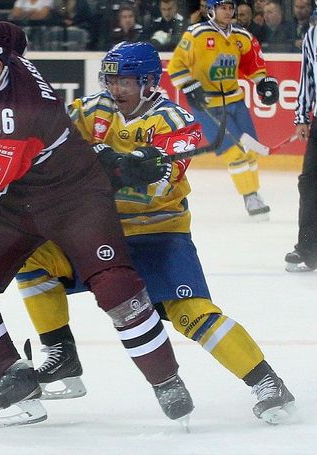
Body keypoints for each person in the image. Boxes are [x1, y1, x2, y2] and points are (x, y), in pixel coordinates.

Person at [0, 20, 194, 429]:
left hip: (75, 197)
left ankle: (166, 380)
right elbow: (14, 32)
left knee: (114, 286)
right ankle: (13, 379)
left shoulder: (10, 118)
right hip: (19, 198)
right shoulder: (10, 55)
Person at [16, 40, 296, 425]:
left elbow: (163, 181)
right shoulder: (93, 109)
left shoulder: (175, 121)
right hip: (101, 234)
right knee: (30, 256)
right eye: (111, 80)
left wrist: (138, 164)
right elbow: (48, 136)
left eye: (126, 82)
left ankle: (267, 381)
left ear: (149, 82)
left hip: (158, 235)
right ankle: (60, 352)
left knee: (191, 314)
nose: (116, 90)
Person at [168, 0, 279, 220]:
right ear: (212, 10)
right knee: (234, 151)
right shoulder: (196, 34)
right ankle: (250, 196)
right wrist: (189, 86)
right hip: (208, 105)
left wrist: (264, 82)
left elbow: (253, 65)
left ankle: (253, 192)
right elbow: (176, 66)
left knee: (249, 150)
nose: (228, 12)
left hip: (235, 101)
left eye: (230, 8)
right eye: (223, 8)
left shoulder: (242, 37)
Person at [287, 16, 317, 272]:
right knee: (309, 182)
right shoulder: (312, 34)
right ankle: (309, 249)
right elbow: (307, 78)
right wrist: (301, 116)